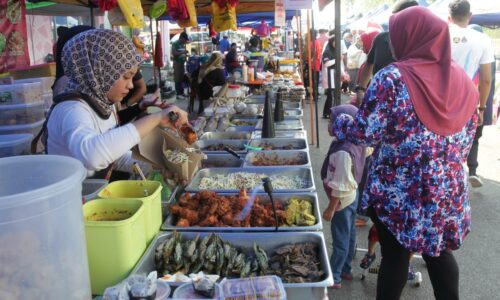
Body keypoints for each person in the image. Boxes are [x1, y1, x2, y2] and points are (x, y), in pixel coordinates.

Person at [331, 7, 478, 300]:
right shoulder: (461, 79)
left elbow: (364, 133)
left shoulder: (393, 78)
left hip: (399, 190)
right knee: (438, 253)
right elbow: (466, 140)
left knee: (396, 256)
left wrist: (340, 119)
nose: (394, 42)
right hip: (444, 190)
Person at [43, 29, 188, 179]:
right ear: (101, 72)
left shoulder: (103, 103)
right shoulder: (71, 109)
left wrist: (157, 168)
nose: (131, 86)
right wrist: (156, 119)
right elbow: (93, 157)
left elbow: (114, 155)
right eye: (126, 77)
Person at [448, 0, 495, 188]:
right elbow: (486, 79)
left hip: (438, 100)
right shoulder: (482, 40)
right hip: (467, 102)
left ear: (449, 17)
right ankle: (460, 180)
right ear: (470, 16)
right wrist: (481, 107)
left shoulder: (439, 35)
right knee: (462, 144)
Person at [321, 104, 367, 289]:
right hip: (351, 196)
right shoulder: (353, 140)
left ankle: (335, 276)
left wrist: (330, 208)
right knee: (349, 235)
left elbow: (339, 186)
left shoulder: (342, 152)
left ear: (343, 123)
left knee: (340, 239)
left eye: (332, 121)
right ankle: (346, 269)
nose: (329, 124)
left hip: (341, 200)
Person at [356, 0, 419, 91]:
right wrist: (361, 89)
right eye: (393, 16)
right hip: (378, 95)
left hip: (405, 100)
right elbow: (369, 64)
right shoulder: (381, 38)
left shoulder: (420, 43)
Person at [321, 36, 347, 118]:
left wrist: (343, 74)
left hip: (335, 76)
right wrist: (337, 59)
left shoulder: (336, 51)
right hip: (329, 76)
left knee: (334, 95)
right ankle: (328, 113)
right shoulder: (327, 51)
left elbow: (339, 64)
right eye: (335, 42)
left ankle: (329, 112)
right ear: (331, 42)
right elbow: (326, 64)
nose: (336, 44)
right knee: (331, 95)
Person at [172, 32, 190, 99]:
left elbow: (181, 53)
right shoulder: (175, 43)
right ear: (181, 38)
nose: (185, 41)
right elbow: (174, 53)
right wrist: (183, 52)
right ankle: (178, 94)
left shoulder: (182, 44)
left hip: (182, 63)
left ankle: (182, 92)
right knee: (177, 78)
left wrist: (185, 55)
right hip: (177, 63)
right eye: (185, 39)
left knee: (182, 78)